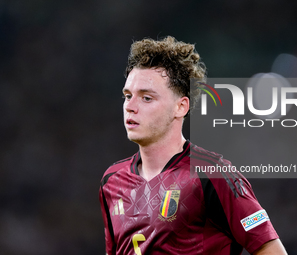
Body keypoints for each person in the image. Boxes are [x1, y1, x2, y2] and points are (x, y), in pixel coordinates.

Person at [99, 36, 287, 255]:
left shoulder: (211, 173)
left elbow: (271, 250)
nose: (130, 106)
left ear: (181, 107)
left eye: (146, 98)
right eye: (128, 96)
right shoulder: (111, 182)